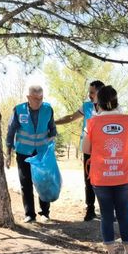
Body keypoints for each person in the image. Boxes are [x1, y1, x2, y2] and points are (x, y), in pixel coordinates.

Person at [82, 86, 128, 254]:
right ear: (116, 100)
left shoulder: (92, 123)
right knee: (123, 214)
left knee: (106, 215)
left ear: (98, 103)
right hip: (123, 173)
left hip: (101, 175)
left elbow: (85, 149)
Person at [5, 85, 57, 223]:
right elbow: (10, 132)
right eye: (35, 99)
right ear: (28, 97)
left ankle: (45, 213)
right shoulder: (18, 110)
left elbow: (53, 131)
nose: (38, 101)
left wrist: (48, 146)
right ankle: (30, 214)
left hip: (41, 153)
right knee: (25, 183)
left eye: (40, 98)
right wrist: (8, 153)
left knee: (43, 182)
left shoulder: (48, 109)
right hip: (24, 153)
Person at [55, 80, 105, 221]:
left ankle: (106, 209)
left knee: (104, 180)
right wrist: (53, 122)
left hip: (104, 150)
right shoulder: (86, 106)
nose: (89, 95)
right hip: (88, 148)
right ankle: (90, 209)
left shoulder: (109, 108)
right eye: (89, 92)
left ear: (100, 93)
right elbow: (71, 117)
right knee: (89, 179)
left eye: (92, 92)